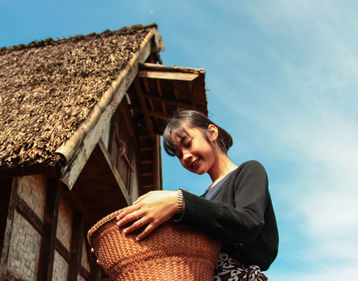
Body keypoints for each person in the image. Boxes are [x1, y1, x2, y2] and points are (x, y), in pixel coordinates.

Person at [114, 110, 279, 280]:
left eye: (188, 143)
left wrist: (180, 201)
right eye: (178, 155)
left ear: (212, 133)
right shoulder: (200, 201)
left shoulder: (249, 171)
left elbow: (249, 223)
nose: (185, 156)